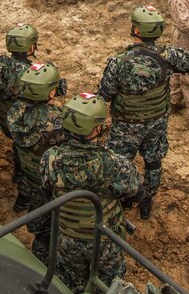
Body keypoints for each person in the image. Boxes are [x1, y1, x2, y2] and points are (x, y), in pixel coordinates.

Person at [99, 5, 189, 218]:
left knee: (119, 163)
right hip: (156, 123)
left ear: (136, 30)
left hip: (125, 125)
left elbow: (104, 95)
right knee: (153, 161)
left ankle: (123, 200)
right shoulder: (170, 56)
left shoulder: (118, 62)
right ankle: (147, 201)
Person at [39, 93, 141, 292]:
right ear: (96, 129)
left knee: (69, 284)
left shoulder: (49, 159)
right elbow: (136, 192)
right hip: (104, 241)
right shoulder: (114, 163)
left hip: (65, 236)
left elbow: (46, 191)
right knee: (110, 286)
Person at [7, 62, 66, 261]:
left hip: (29, 177)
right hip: (50, 185)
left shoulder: (15, 113)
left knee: (39, 225)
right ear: (49, 93)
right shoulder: (56, 120)